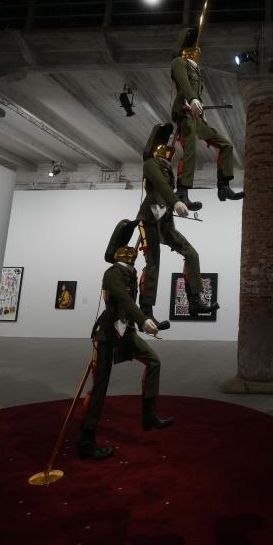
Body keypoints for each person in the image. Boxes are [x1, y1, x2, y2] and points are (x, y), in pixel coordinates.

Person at [77, 219, 174, 461]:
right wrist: (143, 321)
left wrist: (136, 224)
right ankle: (87, 439)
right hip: (108, 333)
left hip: (126, 332)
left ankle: (149, 413)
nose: (133, 254)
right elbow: (125, 301)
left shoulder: (129, 273)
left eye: (134, 254)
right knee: (100, 388)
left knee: (153, 361)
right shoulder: (113, 274)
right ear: (120, 255)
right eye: (128, 253)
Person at [136, 123, 218, 320]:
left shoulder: (166, 168)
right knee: (153, 262)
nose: (169, 154)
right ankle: (146, 311)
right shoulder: (151, 164)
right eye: (166, 150)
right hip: (148, 219)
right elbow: (161, 187)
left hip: (164, 221)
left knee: (191, 254)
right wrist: (176, 202)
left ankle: (194, 301)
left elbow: (167, 192)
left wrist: (179, 203)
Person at [170, 26, 243, 207]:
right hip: (184, 113)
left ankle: (223, 186)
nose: (197, 53)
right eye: (193, 49)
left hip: (197, 116)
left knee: (226, 144)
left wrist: (200, 109)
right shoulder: (178, 62)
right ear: (185, 49)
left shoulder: (195, 70)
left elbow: (195, 89)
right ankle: (182, 192)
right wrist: (193, 98)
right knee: (191, 150)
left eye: (198, 51)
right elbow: (184, 83)